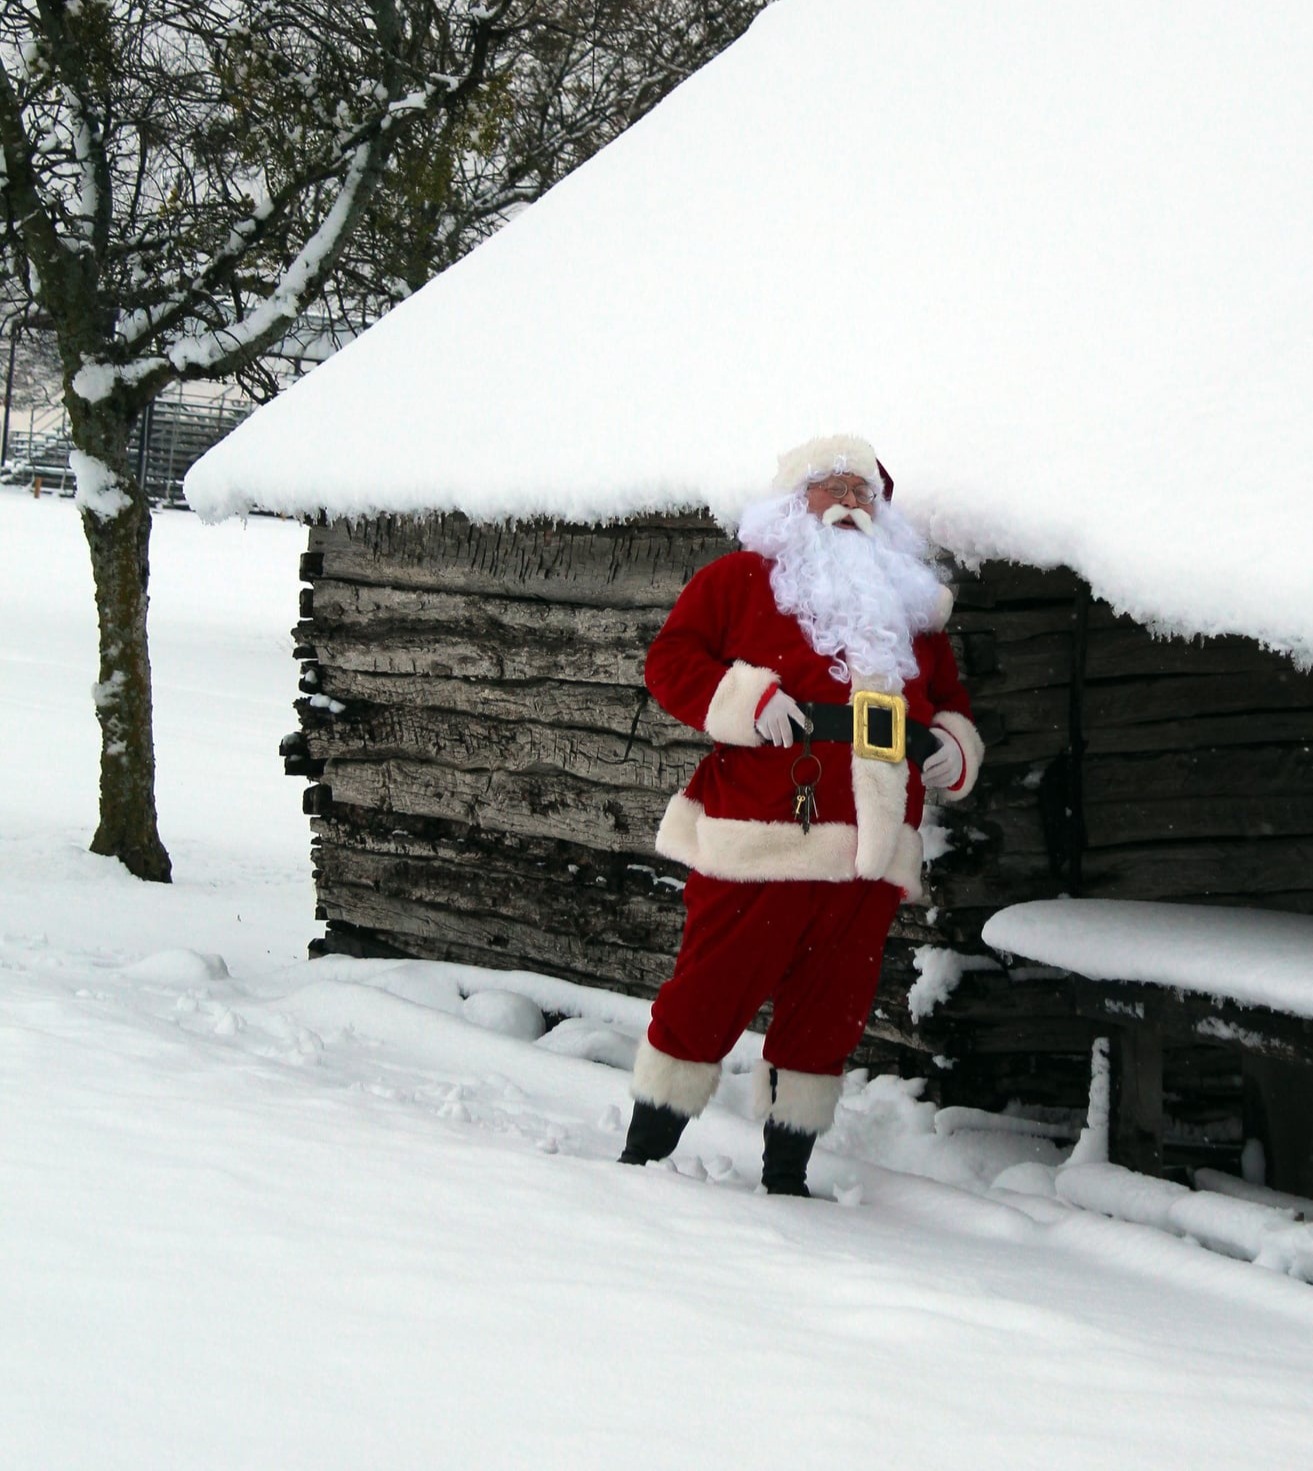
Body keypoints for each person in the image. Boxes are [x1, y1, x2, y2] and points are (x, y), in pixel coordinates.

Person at [619, 434, 983, 1196]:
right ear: (793, 501)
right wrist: (744, 700)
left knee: (831, 1013)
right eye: (832, 487)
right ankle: (642, 1157)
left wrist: (951, 742)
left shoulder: (912, 605)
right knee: (708, 992)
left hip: (870, 851)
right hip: (764, 832)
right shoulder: (739, 579)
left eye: (863, 492)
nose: (849, 502)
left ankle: (786, 1177)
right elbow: (671, 661)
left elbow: (947, 701)